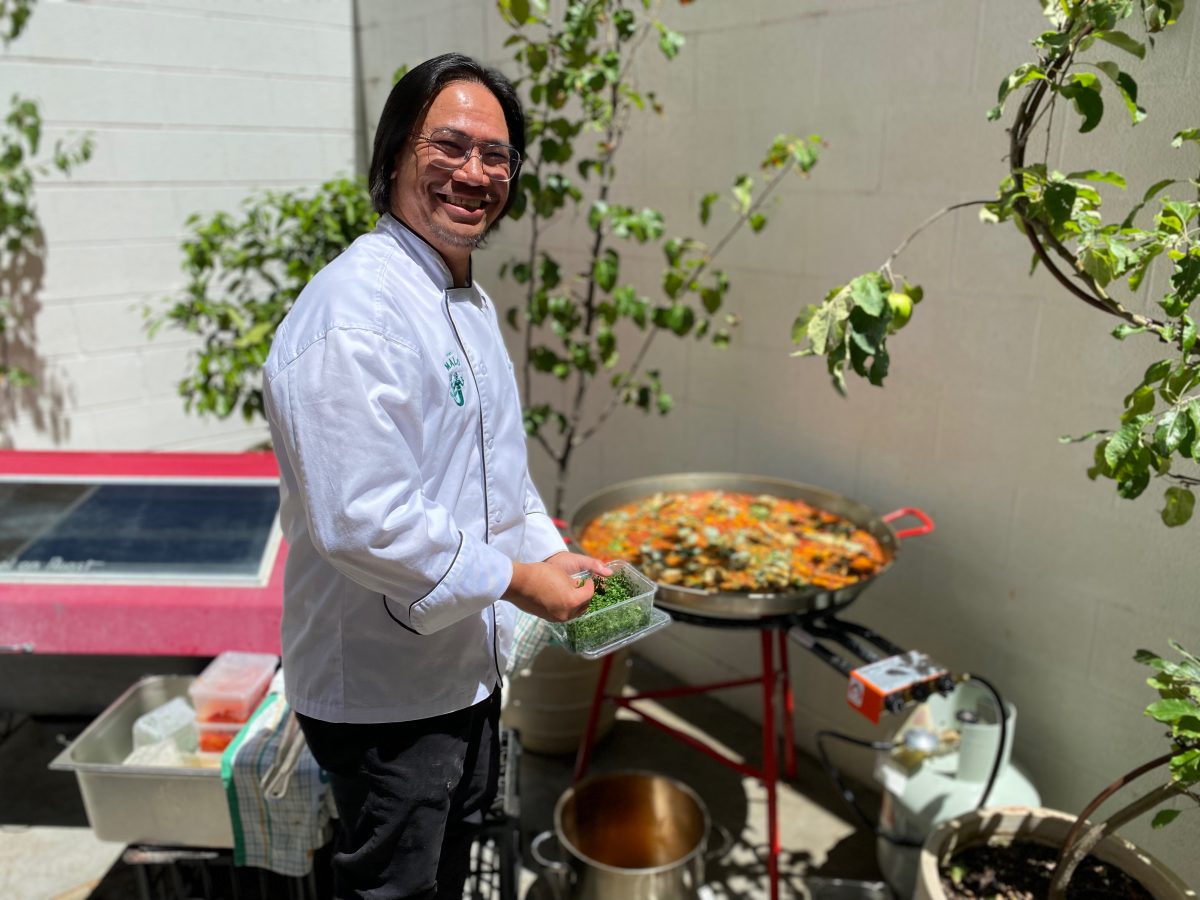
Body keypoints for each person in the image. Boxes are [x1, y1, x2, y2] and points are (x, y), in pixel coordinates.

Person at [263, 53, 609, 899]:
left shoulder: (464, 299)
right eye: (448, 145)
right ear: (391, 159)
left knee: (448, 871)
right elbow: (365, 518)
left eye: (497, 156)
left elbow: (494, 472)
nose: (474, 172)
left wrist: (548, 554)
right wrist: (522, 582)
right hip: (385, 696)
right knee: (396, 889)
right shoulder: (356, 312)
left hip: (461, 669)